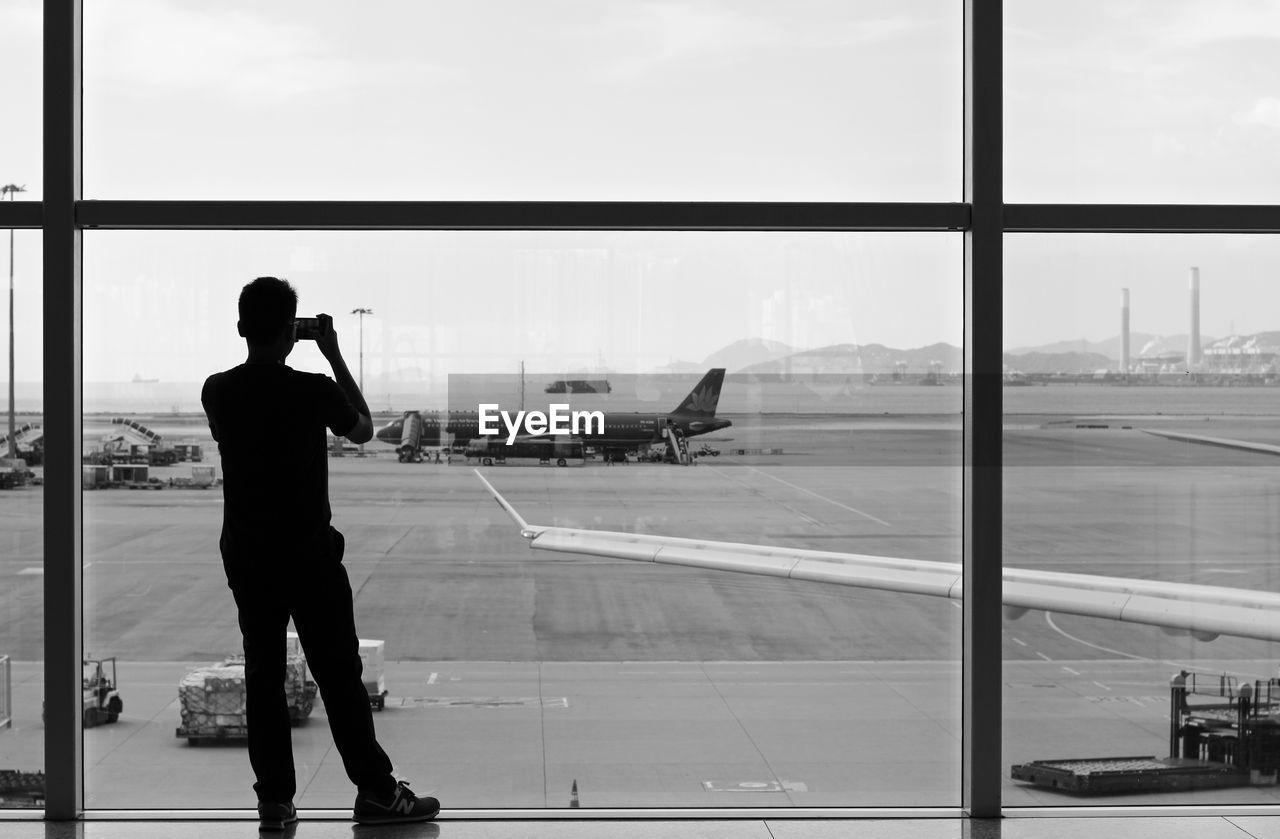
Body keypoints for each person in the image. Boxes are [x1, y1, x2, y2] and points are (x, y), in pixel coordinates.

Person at [201, 277, 439, 830]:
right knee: (338, 677)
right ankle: (376, 792)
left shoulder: (217, 390)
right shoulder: (313, 390)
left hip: (248, 557)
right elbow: (364, 429)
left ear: (241, 328)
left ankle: (275, 803)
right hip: (307, 556)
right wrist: (332, 353)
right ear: (292, 331)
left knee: (263, 677)